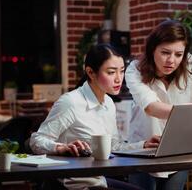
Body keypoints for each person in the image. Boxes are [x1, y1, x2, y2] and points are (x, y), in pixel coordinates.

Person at [30, 44, 155, 190]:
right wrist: (60, 147)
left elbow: (114, 146)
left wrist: (143, 145)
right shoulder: (71, 102)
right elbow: (36, 141)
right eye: (111, 72)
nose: (119, 79)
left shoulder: (108, 103)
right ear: (90, 72)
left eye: (121, 71)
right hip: (72, 185)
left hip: (98, 181)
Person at [125, 20, 192, 190]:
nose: (171, 60)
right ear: (152, 49)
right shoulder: (135, 69)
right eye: (165, 52)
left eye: (179, 54)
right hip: (143, 152)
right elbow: (152, 107)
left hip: (179, 152)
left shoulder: (191, 64)